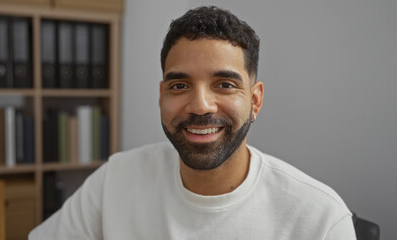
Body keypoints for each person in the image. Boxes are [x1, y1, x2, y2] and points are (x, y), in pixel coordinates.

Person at [29, 6, 356, 239]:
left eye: (225, 85)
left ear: (255, 100)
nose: (200, 105)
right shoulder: (116, 179)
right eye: (180, 86)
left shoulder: (319, 218)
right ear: (161, 96)